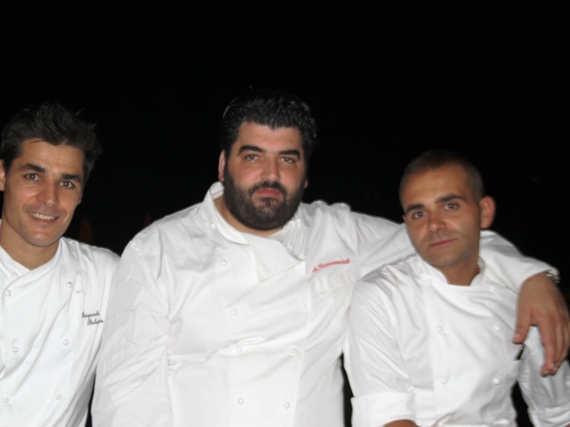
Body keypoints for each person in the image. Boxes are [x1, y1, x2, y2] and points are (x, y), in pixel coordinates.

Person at [92, 90, 568, 427]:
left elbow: (443, 235)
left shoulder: (338, 232)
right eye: (253, 157)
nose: (271, 175)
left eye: (288, 159)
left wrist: (533, 277)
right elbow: (126, 396)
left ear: (306, 173)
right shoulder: (158, 249)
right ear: (223, 164)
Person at [344, 150, 570, 427]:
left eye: (450, 206)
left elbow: (558, 411)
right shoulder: (381, 296)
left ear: (484, 212)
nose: (434, 225)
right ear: (406, 224)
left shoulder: (521, 299)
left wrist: (536, 278)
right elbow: (386, 418)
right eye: (419, 213)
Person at [0, 103, 119, 427]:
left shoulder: (104, 275)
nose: (49, 198)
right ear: (2, 175)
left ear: (81, 193)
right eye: (33, 176)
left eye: (67, 183)